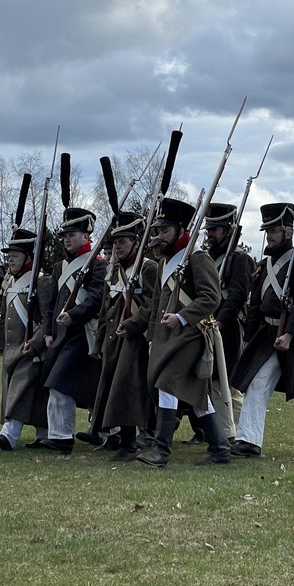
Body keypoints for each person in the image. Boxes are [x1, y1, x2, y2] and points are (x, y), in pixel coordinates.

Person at [130, 198, 230, 467]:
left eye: (165, 231)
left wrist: (182, 317)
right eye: (158, 230)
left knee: (167, 384)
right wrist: (152, 337)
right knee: (197, 397)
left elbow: (211, 298)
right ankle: (220, 449)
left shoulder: (198, 258)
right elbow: (156, 305)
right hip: (166, 339)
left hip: (190, 336)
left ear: (180, 230)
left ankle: (161, 450)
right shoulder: (165, 263)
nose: (160, 236)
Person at [230, 203, 294, 458]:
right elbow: (255, 305)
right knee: (258, 383)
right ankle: (248, 441)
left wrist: (290, 333)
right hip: (267, 334)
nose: (269, 236)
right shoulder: (263, 266)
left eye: (274, 230)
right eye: (267, 231)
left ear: (288, 232)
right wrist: (249, 337)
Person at [88, 211, 157, 462]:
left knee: (127, 388)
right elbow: (106, 307)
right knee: (113, 388)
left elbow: (152, 304)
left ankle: (130, 444)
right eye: (115, 242)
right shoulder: (114, 270)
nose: (117, 247)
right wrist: (99, 342)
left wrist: (132, 324)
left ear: (136, 242)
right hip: (113, 338)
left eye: (123, 242)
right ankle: (121, 439)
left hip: (135, 338)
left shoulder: (148, 268)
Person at [39, 206, 107, 454]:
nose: (67, 239)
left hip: (83, 333)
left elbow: (97, 298)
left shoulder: (98, 264)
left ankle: (63, 436)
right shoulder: (60, 267)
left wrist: (74, 315)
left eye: (72, 235)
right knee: (60, 383)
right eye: (65, 235)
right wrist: (48, 332)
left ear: (86, 236)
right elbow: (52, 302)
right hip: (61, 335)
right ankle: (61, 434)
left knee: (61, 382)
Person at [0, 229, 50, 450]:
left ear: (28, 257)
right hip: (12, 348)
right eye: (9, 256)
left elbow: (47, 319)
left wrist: (37, 343)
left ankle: (9, 435)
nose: (10, 260)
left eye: (15, 255)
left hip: (30, 348)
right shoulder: (10, 283)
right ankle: (44, 434)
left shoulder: (41, 282)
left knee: (21, 389)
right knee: (30, 394)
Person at [202, 202, 254, 442]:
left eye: (215, 229)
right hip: (209, 327)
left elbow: (237, 296)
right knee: (214, 382)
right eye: (209, 229)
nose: (210, 234)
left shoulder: (239, 259)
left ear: (228, 230)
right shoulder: (211, 258)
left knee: (226, 383)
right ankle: (228, 433)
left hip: (229, 328)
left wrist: (220, 322)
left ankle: (233, 435)